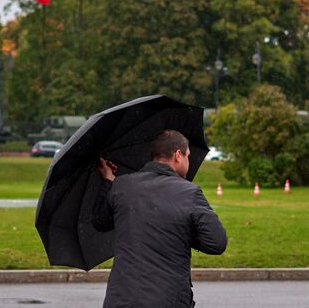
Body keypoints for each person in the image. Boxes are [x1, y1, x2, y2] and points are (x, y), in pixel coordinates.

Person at [92, 129, 227, 308]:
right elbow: (216, 243)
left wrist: (108, 180)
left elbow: (100, 222)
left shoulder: (122, 185)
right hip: (167, 298)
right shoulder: (188, 193)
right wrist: (181, 232)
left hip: (121, 298)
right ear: (178, 155)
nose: (189, 161)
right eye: (188, 156)